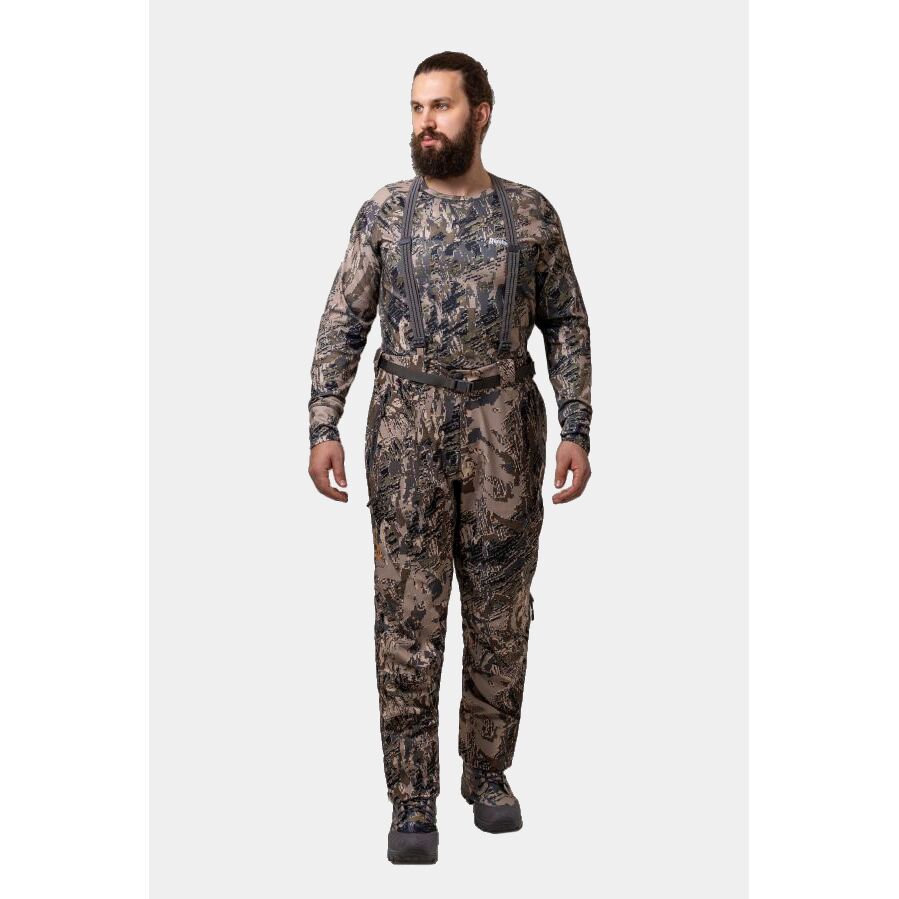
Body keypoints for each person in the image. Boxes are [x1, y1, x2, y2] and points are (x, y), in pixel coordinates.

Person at [308, 50, 592, 864]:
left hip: (505, 430)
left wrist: (575, 425)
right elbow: (343, 319)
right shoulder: (384, 212)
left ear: (481, 113)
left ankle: (488, 773)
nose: (424, 122)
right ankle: (411, 796)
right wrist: (323, 422)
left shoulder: (531, 214)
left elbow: (566, 321)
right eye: (415, 108)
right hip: (405, 433)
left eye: (440, 106)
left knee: (500, 611)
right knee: (407, 615)